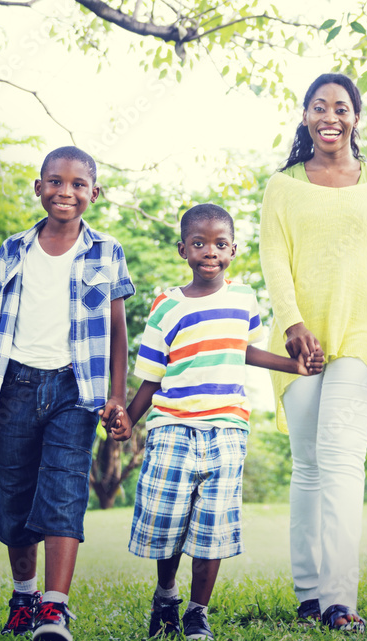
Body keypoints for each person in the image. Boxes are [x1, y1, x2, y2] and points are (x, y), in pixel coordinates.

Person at [109, 203, 323, 640]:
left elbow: (243, 350)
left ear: (233, 250)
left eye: (220, 244)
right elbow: (152, 377)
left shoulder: (244, 298)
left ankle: (196, 613)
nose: (211, 251)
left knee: (212, 525)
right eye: (200, 243)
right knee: (167, 521)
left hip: (227, 429)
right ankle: (166, 597)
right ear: (182, 249)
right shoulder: (166, 306)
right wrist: (129, 420)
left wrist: (291, 366)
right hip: (171, 427)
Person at [258, 72, 367, 633]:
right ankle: (308, 592)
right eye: (319, 106)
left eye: (341, 107)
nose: (330, 116)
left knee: (342, 460)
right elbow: (274, 261)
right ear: (305, 117)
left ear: (355, 117)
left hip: (366, 336)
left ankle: (339, 599)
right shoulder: (283, 186)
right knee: (308, 467)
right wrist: (293, 324)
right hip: (299, 341)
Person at [0, 146, 135, 641]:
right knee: (15, 499)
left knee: (63, 491)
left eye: (78, 184)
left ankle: (54, 610)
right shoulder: (14, 248)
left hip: (75, 389)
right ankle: (24, 595)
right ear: (39, 188)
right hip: (14, 384)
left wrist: (116, 397)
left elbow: (117, 331)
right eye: (55, 182)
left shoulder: (107, 251)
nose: (66, 192)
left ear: (93, 194)